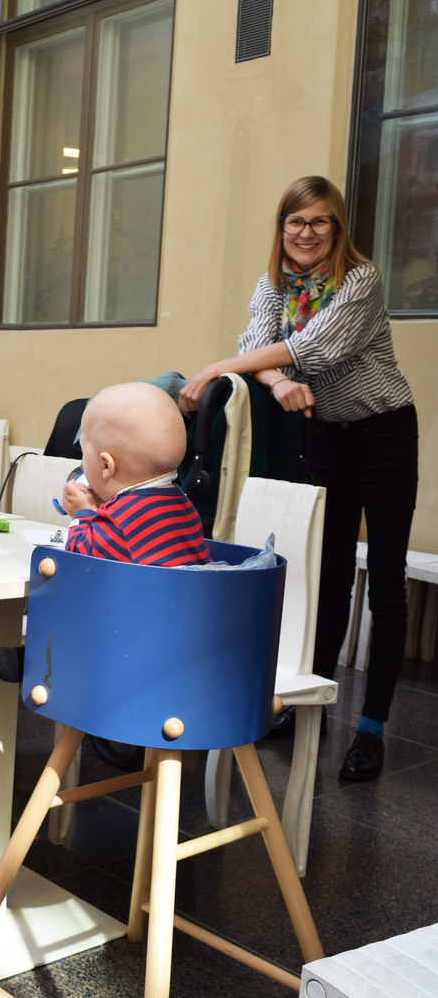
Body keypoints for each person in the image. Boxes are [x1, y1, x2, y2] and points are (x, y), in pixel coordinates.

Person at [178, 176, 416, 782]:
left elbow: (312, 348)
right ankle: (313, 704)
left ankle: (372, 729)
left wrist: (216, 369)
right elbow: (265, 345)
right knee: (328, 576)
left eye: (319, 222)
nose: (307, 233)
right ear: (281, 229)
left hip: (385, 431)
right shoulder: (273, 285)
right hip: (329, 438)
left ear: (337, 229)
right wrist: (278, 383)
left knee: (385, 582)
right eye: (295, 222)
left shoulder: (361, 280)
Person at [0, 382, 209, 775]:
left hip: (134, 657)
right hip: (186, 650)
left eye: (84, 455)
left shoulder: (118, 517)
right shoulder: (182, 505)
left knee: (73, 597)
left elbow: (82, 562)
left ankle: (38, 660)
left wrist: (83, 516)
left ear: (106, 467)